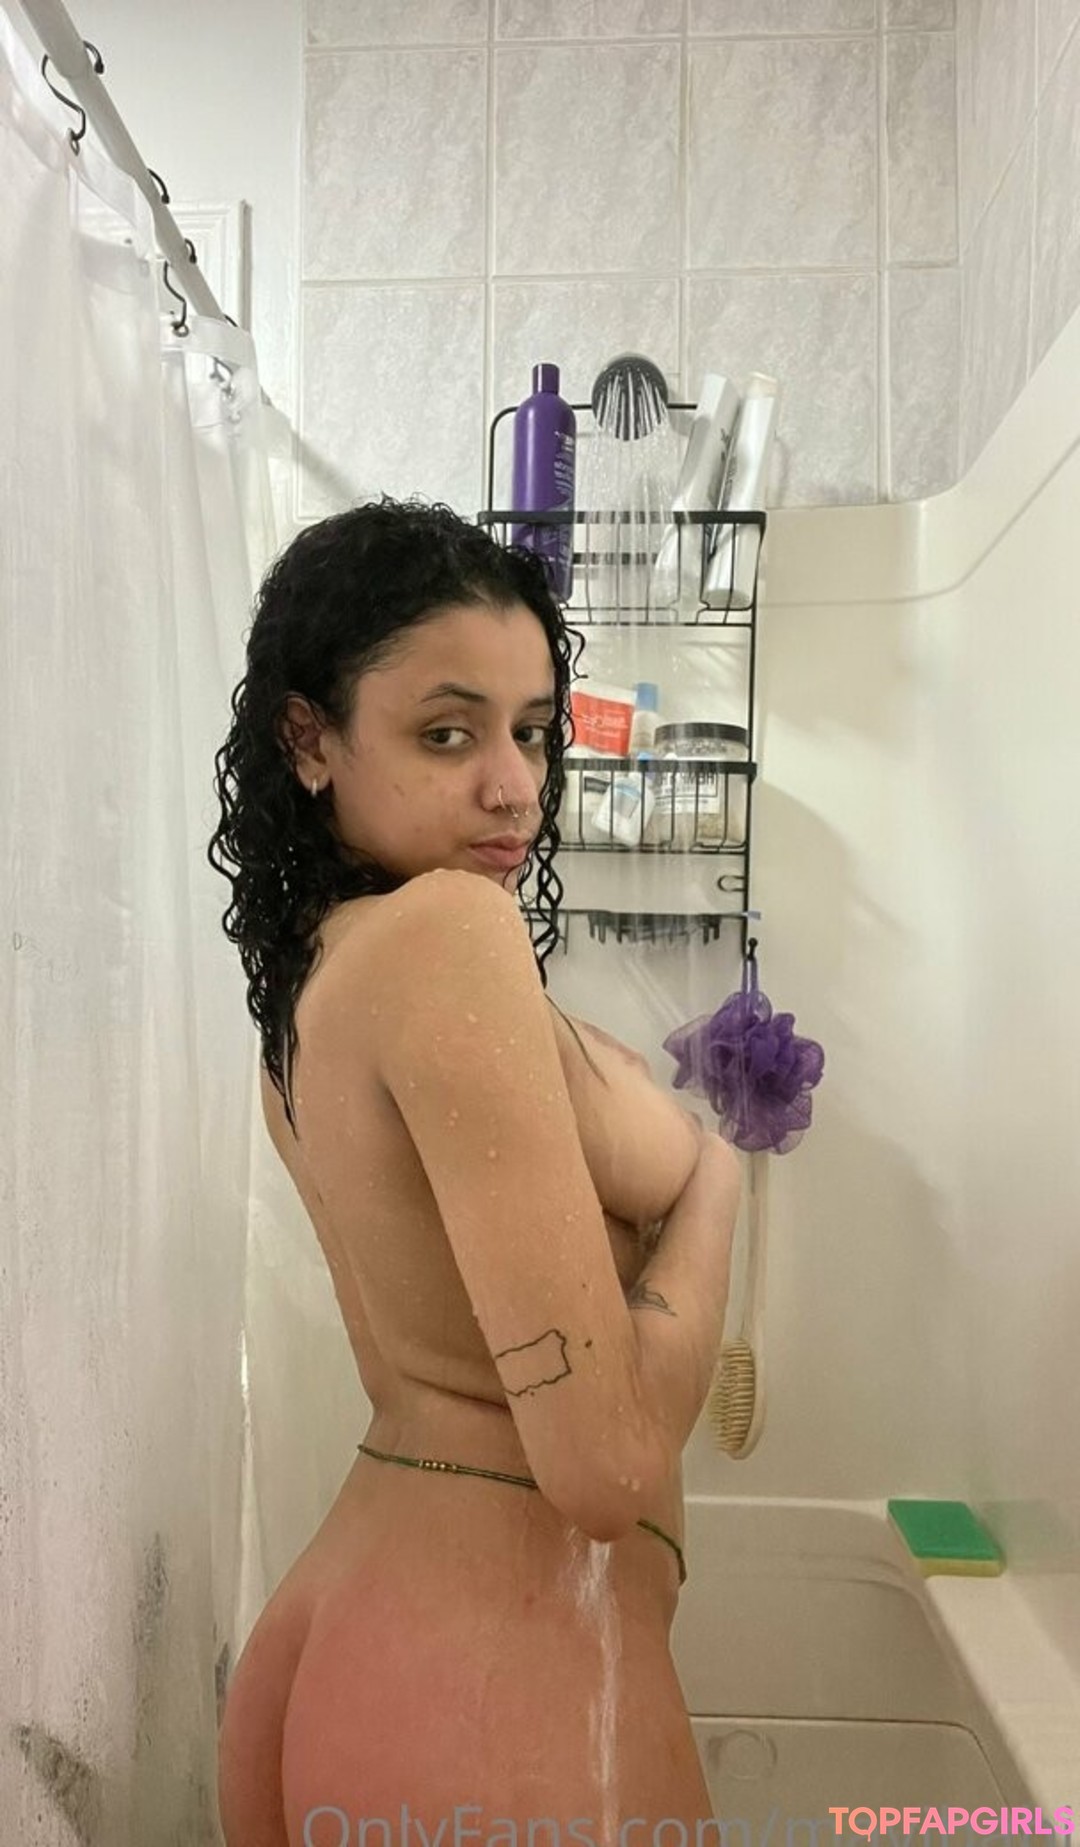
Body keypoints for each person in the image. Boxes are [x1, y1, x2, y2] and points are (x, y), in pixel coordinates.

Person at [208, 497, 740, 1847]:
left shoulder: (319, 992)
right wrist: (717, 1188)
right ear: (308, 739)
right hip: (498, 1669)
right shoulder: (449, 934)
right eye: (448, 734)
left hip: (369, 1617)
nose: (514, 786)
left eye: (533, 730)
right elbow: (606, 1464)